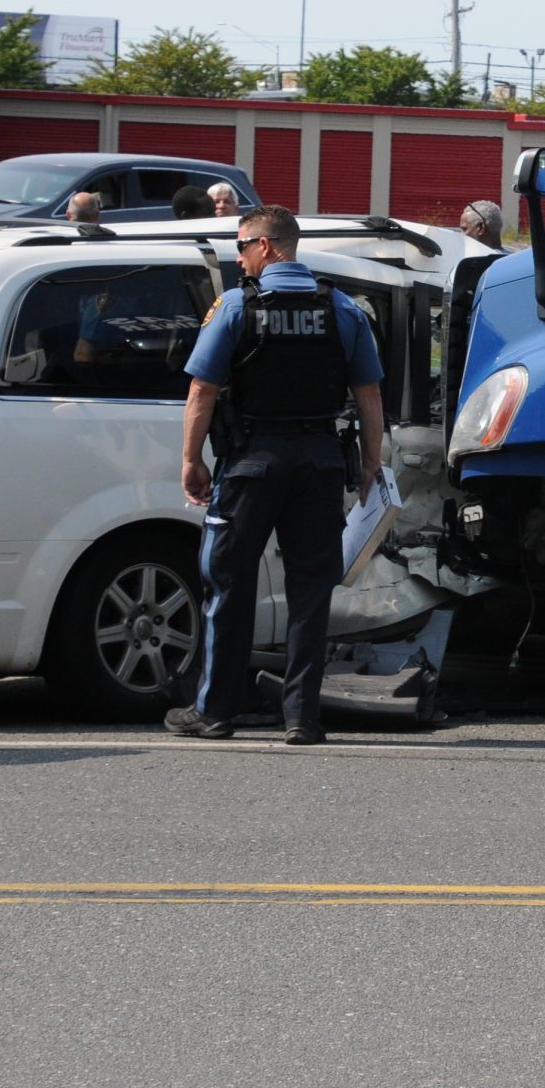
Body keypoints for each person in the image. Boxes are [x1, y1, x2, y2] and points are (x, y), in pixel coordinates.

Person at [172, 205, 382, 744]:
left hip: (251, 463)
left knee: (228, 585)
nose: (238, 258)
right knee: (311, 591)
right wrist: (372, 463)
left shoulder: (236, 308)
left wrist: (191, 459)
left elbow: (202, 389)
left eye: (241, 247)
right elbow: (369, 394)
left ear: (266, 246)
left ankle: (215, 712)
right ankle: (301, 717)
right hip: (317, 462)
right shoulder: (342, 309)